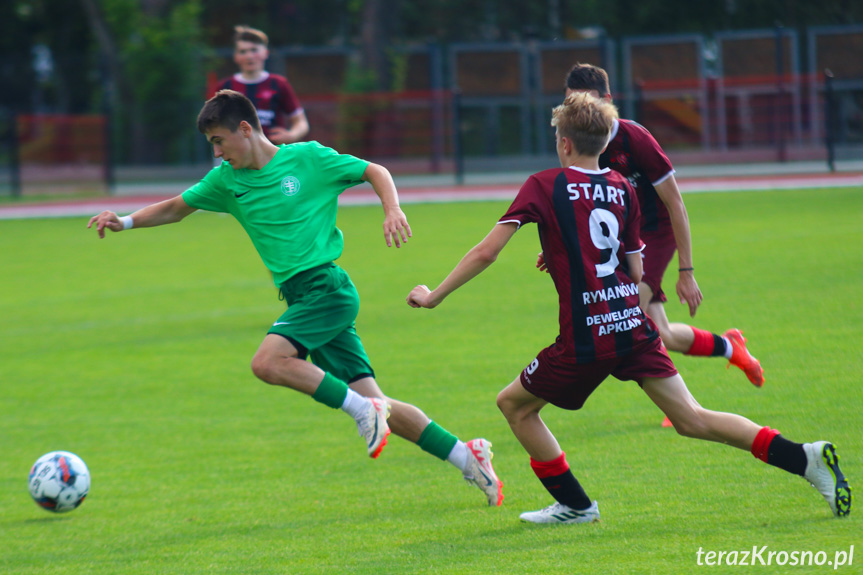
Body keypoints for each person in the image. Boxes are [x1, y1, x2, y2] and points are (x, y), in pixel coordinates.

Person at [406, 91, 850, 524]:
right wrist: (567, 253)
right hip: (631, 325)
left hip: (586, 336)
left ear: (564, 142)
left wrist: (434, 295)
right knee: (692, 418)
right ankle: (804, 458)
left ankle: (576, 506)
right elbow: (634, 269)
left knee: (515, 406)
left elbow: (487, 252)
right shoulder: (623, 188)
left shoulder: (544, 184)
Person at [87, 89, 503, 507]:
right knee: (379, 402)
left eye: (218, 141)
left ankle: (361, 412)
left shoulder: (308, 158)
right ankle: (467, 457)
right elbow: (176, 208)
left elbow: (375, 170)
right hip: (303, 298)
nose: (216, 153)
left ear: (245, 129)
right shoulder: (227, 181)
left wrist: (392, 208)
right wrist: (124, 221)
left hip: (327, 289)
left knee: (267, 363)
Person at [562, 64, 764, 417]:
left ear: (608, 101)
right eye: (571, 103)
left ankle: (683, 408)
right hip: (622, 239)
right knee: (662, 333)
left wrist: (686, 270)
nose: (581, 112)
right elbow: (585, 205)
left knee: (627, 317)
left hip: (655, 234)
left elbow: (676, 204)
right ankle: (729, 346)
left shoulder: (635, 139)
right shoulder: (574, 141)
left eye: (588, 102)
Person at [217, 25, 310, 145]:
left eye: (254, 50)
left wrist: (291, 135)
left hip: (274, 154)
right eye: (243, 51)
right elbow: (214, 125)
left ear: (265, 53)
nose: (249, 56)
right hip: (239, 156)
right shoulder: (225, 87)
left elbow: (301, 122)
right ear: (236, 57)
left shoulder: (278, 83)